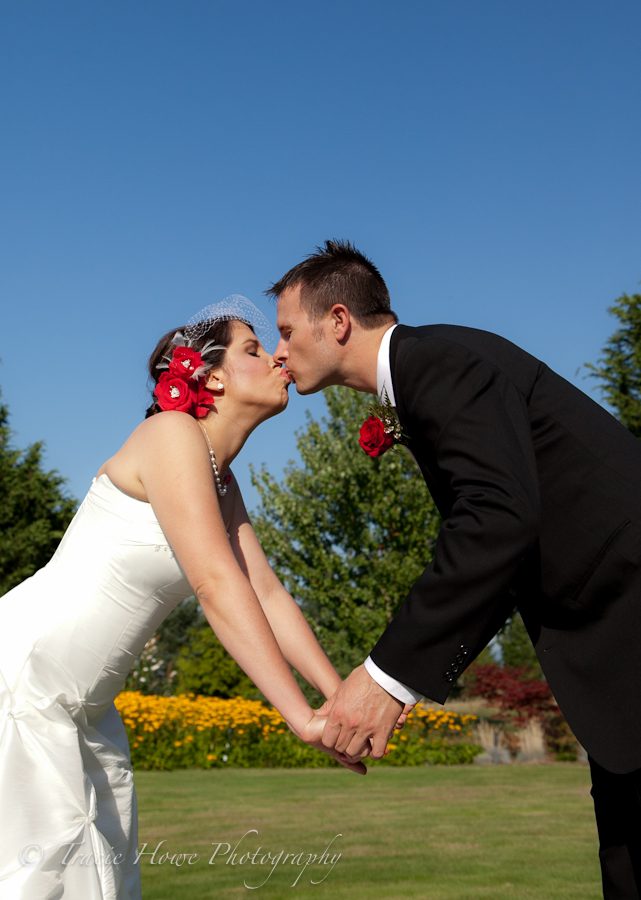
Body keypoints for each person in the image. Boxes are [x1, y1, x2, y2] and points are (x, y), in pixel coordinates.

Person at [269, 241, 641, 899]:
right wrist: (405, 681)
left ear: (337, 321)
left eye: (285, 331)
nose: (279, 351)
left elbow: (497, 522)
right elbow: (502, 554)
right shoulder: (426, 373)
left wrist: (386, 677)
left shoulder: (437, 361)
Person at [0, 296, 366, 900]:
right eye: (254, 348)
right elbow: (216, 583)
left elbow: (266, 595)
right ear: (212, 375)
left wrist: (338, 702)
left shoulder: (222, 480)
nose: (278, 357)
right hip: (23, 683)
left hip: (85, 712)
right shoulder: (171, 434)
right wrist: (299, 719)